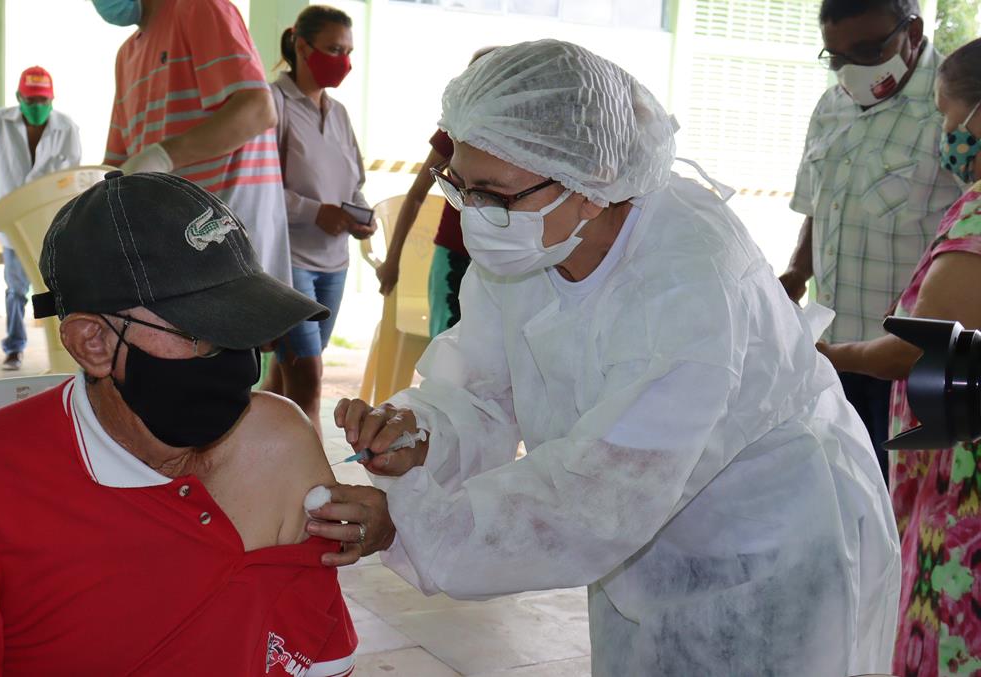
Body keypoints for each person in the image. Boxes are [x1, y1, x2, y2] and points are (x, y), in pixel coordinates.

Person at [306, 41, 901, 675]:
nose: (473, 214)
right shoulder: (533, 243)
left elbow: (599, 491)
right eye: (462, 185)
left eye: (495, 195)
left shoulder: (689, 281)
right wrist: (421, 432)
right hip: (638, 540)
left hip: (764, 544)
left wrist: (414, 523)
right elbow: (483, 385)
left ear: (592, 184)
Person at [0, 171, 356, 675]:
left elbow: (314, 655)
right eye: (204, 332)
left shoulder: (279, 444)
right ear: (93, 344)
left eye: (246, 328)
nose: (239, 360)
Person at [818, 38, 981, 675]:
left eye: (949, 115)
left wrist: (830, 354)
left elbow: (917, 349)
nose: (948, 133)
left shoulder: (978, 222)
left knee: (947, 639)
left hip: (962, 492)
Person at [782, 0, 961, 485]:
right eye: (837, 57)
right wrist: (798, 273)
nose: (853, 69)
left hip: (910, 371)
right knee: (838, 490)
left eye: (866, 50)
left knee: (896, 504)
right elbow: (822, 204)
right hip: (834, 353)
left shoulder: (955, 110)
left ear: (913, 31)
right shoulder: (831, 106)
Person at [96, 0, 293, 285]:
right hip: (172, 238)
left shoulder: (200, 7)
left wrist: (162, 156)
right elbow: (116, 161)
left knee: (242, 322)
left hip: (229, 232)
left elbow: (258, 110)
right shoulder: (126, 55)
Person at [264, 5, 373, 436]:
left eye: (348, 51)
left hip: (335, 264)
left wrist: (361, 215)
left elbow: (353, 184)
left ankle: (260, 457)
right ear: (302, 47)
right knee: (308, 381)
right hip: (290, 263)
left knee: (285, 377)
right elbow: (260, 188)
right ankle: (307, 486)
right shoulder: (274, 102)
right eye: (332, 49)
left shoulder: (340, 112)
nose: (343, 61)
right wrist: (314, 212)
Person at [0, 66, 81, 371]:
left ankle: (63, 350)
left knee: (55, 286)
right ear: (18, 97)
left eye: (43, 101)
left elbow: (73, 176)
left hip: (49, 219)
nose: (37, 107)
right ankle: (14, 346)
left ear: (52, 99)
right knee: (15, 286)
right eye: (30, 100)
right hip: (11, 217)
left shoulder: (67, 128)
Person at [376, 48, 495, 336]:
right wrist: (392, 260)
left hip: (499, 262)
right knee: (448, 348)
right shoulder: (453, 132)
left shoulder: (523, 138)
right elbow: (417, 193)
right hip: (455, 255)